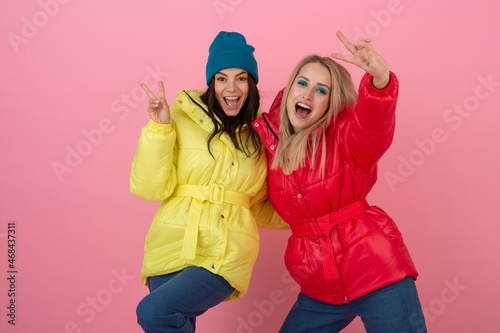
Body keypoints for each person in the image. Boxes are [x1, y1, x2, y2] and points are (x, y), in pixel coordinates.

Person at [252, 31, 427, 332]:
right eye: (303, 83)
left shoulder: (346, 137)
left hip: (376, 274)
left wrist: (381, 82)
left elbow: (373, 124)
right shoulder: (268, 143)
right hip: (320, 288)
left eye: (322, 91)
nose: (308, 95)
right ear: (290, 87)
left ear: (331, 103)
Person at [130, 31, 286, 333]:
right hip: (170, 243)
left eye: (241, 78)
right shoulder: (177, 116)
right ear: (211, 83)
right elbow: (149, 188)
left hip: (226, 248)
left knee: (153, 312)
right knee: (174, 323)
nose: (231, 87)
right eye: (221, 78)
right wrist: (160, 128)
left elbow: (262, 204)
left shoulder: (262, 134)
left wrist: (315, 215)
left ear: (251, 84)